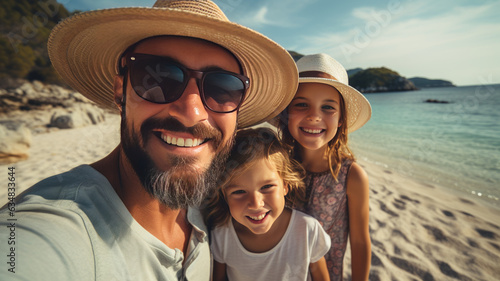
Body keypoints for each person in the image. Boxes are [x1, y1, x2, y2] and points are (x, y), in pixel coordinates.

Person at [0, 1, 298, 280]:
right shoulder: (51, 230)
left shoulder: (212, 201)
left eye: (222, 88)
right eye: (159, 78)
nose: (192, 114)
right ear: (120, 92)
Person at [276, 53, 372, 281]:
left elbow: (359, 242)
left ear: (341, 120)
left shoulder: (351, 176)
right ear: (286, 113)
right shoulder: (276, 164)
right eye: (301, 104)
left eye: (328, 107)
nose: (314, 116)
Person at [204, 127, 331, 281]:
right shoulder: (222, 235)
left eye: (266, 187)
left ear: (285, 185)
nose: (256, 204)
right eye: (239, 192)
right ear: (224, 195)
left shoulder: (307, 231)